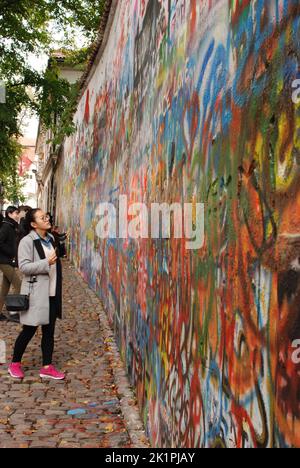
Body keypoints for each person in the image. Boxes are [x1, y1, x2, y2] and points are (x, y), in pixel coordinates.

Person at [8, 208, 65, 380]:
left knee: (49, 331)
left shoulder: (51, 238)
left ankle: (47, 366)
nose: (47, 219)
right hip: (36, 293)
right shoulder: (27, 241)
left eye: (46, 216)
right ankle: (15, 363)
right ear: (34, 224)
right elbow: (24, 267)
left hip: (52, 291)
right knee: (29, 330)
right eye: (42, 218)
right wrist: (46, 262)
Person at [0, 206, 21, 322]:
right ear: (9, 214)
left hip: (7, 260)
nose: (17, 215)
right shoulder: (6, 226)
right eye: (15, 213)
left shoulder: (11, 225)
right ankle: (13, 312)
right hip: (4, 261)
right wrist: (10, 252)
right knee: (19, 284)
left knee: (5, 288)